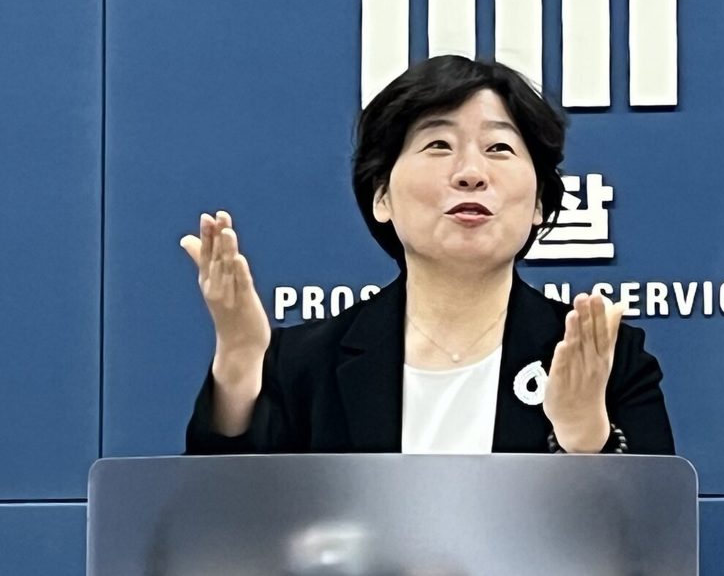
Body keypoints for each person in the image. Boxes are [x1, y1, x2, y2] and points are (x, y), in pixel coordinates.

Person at [181, 55, 675, 455]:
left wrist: (585, 435)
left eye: (499, 148)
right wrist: (240, 361)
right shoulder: (305, 364)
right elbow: (226, 519)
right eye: (438, 144)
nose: (471, 173)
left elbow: (651, 531)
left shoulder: (610, 360)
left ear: (540, 204)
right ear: (382, 197)